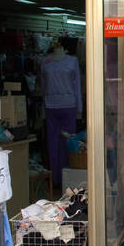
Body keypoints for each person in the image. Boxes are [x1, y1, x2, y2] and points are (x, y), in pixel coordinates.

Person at [40, 37, 83, 192]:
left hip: (68, 105)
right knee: (52, 143)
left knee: (69, 142)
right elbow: (43, 86)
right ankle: (56, 178)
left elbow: (77, 84)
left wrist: (80, 107)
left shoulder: (72, 61)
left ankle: (66, 177)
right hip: (51, 105)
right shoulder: (45, 62)